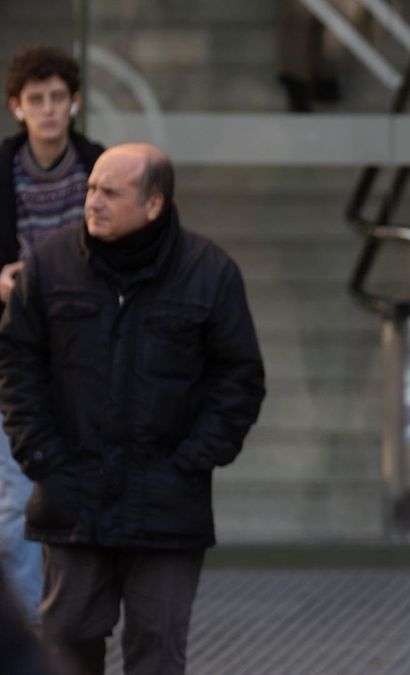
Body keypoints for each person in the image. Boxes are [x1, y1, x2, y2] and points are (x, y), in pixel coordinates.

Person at [0, 143, 266, 674]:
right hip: (72, 501)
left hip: (167, 508)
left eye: (110, 193)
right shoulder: (48, 267)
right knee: (66, 644)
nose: (92, 202)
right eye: (91, 188)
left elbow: (239, 379)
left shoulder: (209, 273)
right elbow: (17, 366)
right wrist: (43, 458)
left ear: (153, 204)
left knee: (156, 653)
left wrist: (190, 461)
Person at [0, 45, 105, 625]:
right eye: (35, 100)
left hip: (87, 361)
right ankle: (26, 641)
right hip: (15, 361)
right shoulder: (2, 172)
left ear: (75, 102)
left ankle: (62, 629)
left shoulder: (103, 169)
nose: (47, 110)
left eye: (57, 98)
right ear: (17, 107)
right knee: (15, 506)